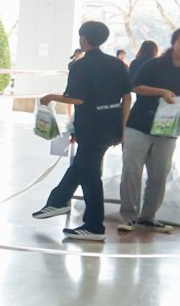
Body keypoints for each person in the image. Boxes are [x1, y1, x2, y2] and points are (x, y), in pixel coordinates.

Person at [30, 21, 131, 242]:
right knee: (83, 165)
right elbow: (127, 97)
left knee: (90, 174)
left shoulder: (81, 65)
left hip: (91, 127)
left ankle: (94, 226)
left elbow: (77, 98)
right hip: (112, 126)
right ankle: (57, 202)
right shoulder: (118, 64)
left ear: (83, 38)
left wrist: (50, 97)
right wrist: (123, 128)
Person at [119, 27, 180, 234]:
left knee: (159, 173)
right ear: (174, 43)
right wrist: (161, 92)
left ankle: (148, 216)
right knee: (131, 171)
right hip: (139, 124)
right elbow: (136, 87)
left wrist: (176, 104)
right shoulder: (154, 64)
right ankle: (128, 216)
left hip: (167, 129)